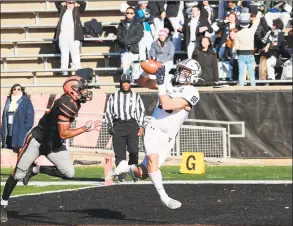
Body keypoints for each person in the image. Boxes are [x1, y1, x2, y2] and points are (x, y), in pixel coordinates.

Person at [0, 76, 101, 223]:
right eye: (81, 89)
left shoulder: (72, 102)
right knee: (18, 175)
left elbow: (54, 119)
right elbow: (64, 133)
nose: (85, 92)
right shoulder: (67, 104)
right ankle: (3, 204)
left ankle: (35, 170)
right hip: (38, 140)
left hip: (53, 143)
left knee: (69, 172)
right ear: (71, 91)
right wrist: (85, 128)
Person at [111, 59, 201, 209]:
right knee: (153, 159)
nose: (181, 72)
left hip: (168, 137)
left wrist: (160, 85)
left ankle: (124, 167)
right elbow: (142, 82)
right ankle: (164, 198)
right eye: (181, 69)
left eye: (186, 70)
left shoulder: (192, 92)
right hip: (154, 127)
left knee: (143, 172)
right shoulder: (169, 81)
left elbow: (167, 104)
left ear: (193, 75)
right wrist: (147, 71)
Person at [105, 73, 145, 182]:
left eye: (127, 82)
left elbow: (141, 112)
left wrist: (141, 126)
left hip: (132, 125)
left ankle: (134, 174)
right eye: (124, 82)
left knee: (133, 151)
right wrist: (109, 125)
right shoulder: (114, 96)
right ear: (120, 84)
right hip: (119, 125)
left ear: (130, 83)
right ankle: (121, 175)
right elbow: (108, 112)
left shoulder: (136, 96)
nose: (126, 84)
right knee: (119, 153)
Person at [54, 0, 87, 75]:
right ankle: (64, 70)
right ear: (66, 3)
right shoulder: (62, 9)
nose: (70, 4)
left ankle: (77, 70)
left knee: (75, 54)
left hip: (74, 35)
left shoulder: (77, 10)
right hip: (63, 35)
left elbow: (83, 4)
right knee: (64, 53)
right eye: (69, 3)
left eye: (72, 3)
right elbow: (56, 2)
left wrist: (75, 0)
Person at [1, 84, 34, 155]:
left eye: (19, 89)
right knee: (10, 153)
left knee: (20, 152)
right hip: (8, 131)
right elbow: (4, 116)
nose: (16, 91)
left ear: (22, 91)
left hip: (20, 131)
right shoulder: (8, 101)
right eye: (14, 89)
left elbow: (30, 118)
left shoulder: (26, 101)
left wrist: (24, 129)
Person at [117, 6, 144, 77]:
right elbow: (119, 36)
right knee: (125, 69)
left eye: (131, 13)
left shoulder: (138, 24)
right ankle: (126, 83)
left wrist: (128, 42)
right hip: (124, 49)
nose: (129, 14)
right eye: (127, 13)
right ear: (125, 13)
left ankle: (134, 83)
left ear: (134, 14)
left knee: (134, 69)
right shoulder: (121, 24)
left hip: (134, 49)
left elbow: (138, 36)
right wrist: (124, 42)